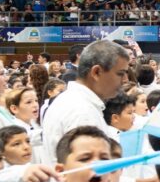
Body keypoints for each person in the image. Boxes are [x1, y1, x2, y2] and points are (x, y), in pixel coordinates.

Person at [42, 40, 132, 169]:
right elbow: (90, 173)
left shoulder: (74, 101)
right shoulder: (82, 112)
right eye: (120, 73)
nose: (125, 80)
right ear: (96, 72)